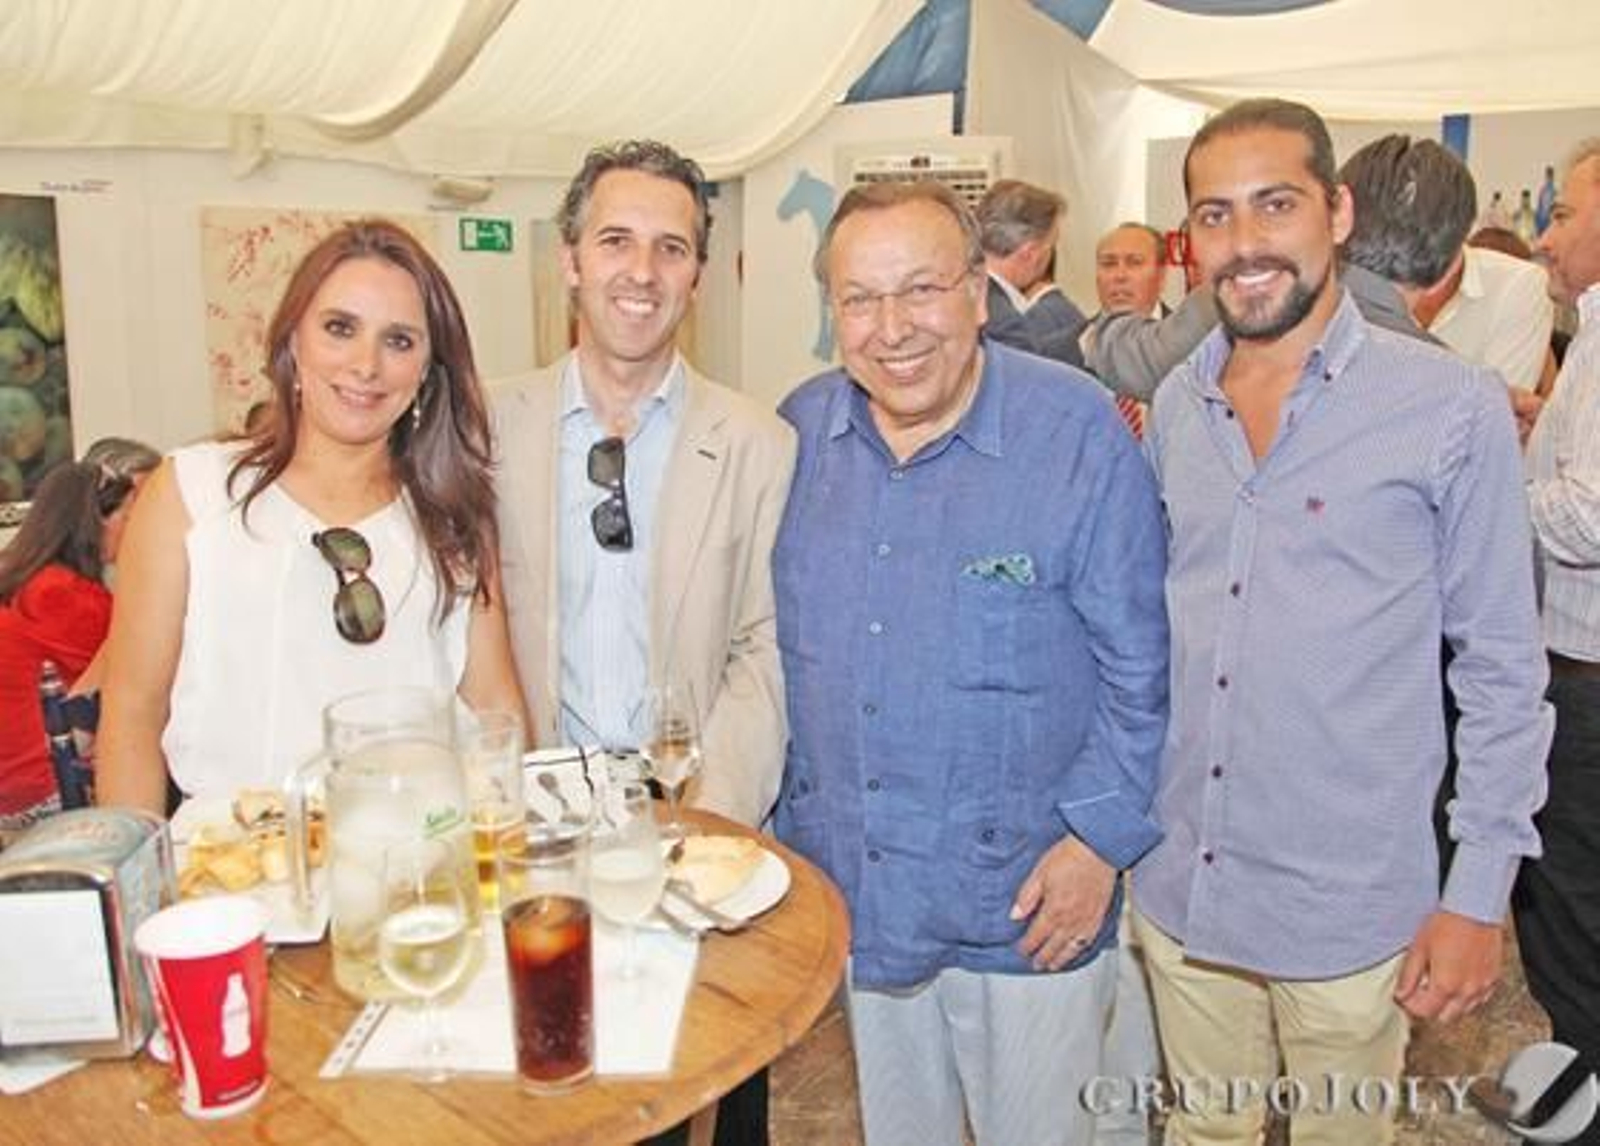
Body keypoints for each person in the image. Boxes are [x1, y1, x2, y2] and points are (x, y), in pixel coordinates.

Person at [1132, 99, 1551, 1146]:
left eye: (1275, 205)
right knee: (1202, 1135)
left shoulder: (1447, 408)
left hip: (1354, 911)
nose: (1245, 244)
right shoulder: (1180, 407)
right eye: (1215, 217)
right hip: (1185, 887)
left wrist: (1474, 897)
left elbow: (1502, 671)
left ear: (1338, 210)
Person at [775, 179, 1168, 1146]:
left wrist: (1097, 845)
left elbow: (1145, 663)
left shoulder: (1074, 432)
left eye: (921, 289)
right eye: (859, 299)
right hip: (865, 896)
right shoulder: (796, 436)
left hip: (1032, 908)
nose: (892, 327)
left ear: (979, 293)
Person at [490, 140, 795, 1144]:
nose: (642, 271)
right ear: (568, 259)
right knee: (553, 1101)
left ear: (697, 277)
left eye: (671, 248)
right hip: (534, 835)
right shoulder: (487, 429)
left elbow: (762, 643)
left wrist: (712, 820)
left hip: (689, 820)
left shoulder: (758, 442)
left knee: (684, 1092)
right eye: (615, 240)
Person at [96, 219, 525, 813]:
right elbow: (131, 719)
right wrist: (142, 896)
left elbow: (496, 707)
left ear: (428, 371)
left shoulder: (455, 516)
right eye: (340, 328)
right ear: (293, 340)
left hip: (421, 868)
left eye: (399, 341)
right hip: (236, 871)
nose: (365, 365)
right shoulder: (191, 494)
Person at [1516, 137, 1600, 1145]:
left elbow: (1589, 517)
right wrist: (1539, 423)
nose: (1545, 235)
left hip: (1585, 685)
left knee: (1571, 923)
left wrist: (1492, 481)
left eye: (1566, 215)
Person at [0, 461, 132, 830]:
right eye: (129, 517)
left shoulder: (28, 579)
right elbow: (131, 680)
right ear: (97, 522)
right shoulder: (65, 595)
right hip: (39, 788)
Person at [975, 178, 1088, 366]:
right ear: (1031, 253)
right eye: (1051, 245)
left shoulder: (966, 289)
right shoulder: (1002, 319)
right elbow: (1023, 384)